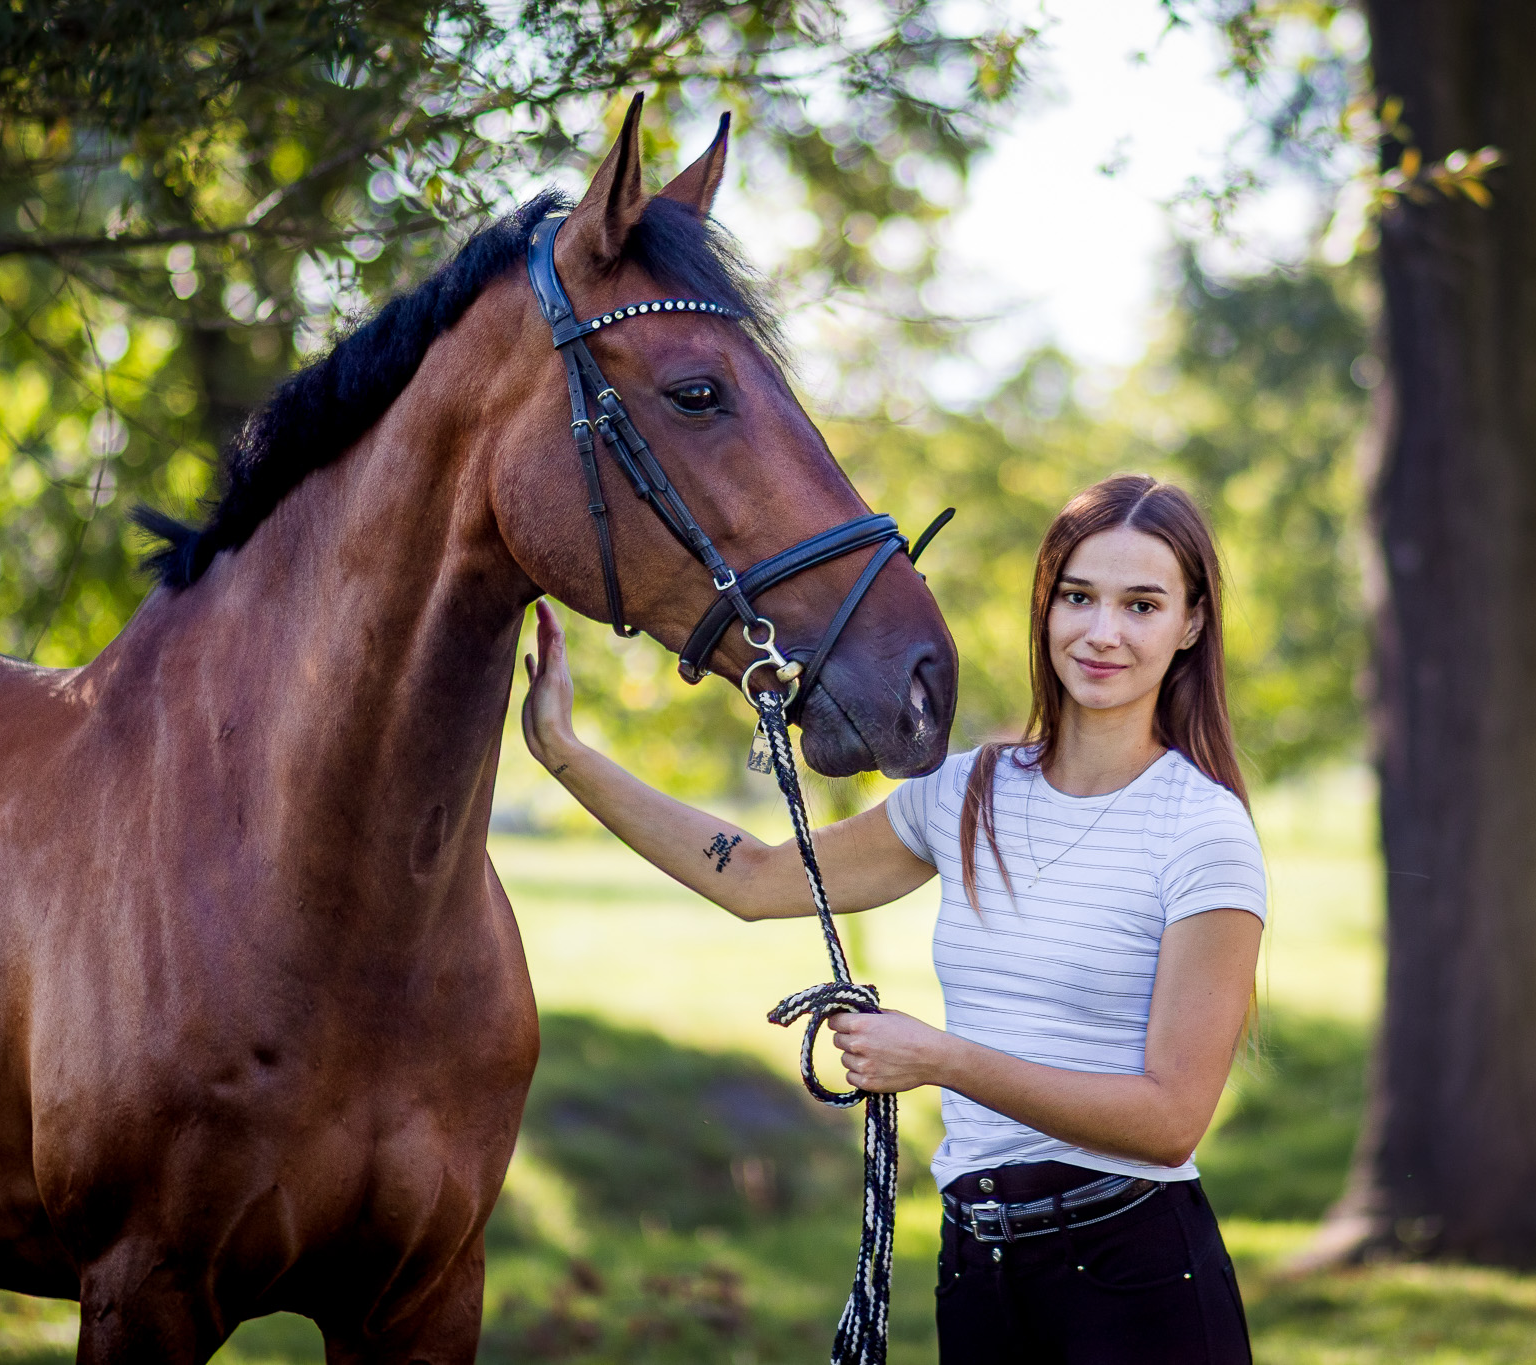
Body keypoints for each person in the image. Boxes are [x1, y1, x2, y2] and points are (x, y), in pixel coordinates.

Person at [519, 473, 1264, 1364]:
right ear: (1046, 606)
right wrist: (565, 754)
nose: (1103, 631)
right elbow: (755, 878)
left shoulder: (1202, 829)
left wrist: (941, 1058)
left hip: (1135, 1278)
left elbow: (1171, 1119)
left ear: (1191, 623)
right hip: (979, 1268)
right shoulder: (968, 791)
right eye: (1078, 596)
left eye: (1141, 604)